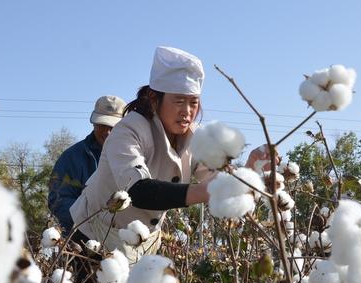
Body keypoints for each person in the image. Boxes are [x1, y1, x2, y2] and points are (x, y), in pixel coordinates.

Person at [69, 46, 270, 261]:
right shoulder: (128, 130)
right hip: (95, 237)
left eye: (193, 103)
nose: (187, 111)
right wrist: (205, 191)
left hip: (143, 241)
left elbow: (218, 181)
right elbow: (137, 191)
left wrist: (251, 169)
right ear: (155, 99)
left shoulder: (195, 137)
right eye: (179, 101)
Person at [48, 95, 127, 233]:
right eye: (102, 125)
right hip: (83, 242)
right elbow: (58, 201)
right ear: (94, 123)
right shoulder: (71, 158)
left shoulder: (138, 156)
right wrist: (93, 218)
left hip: (127, 237)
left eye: (113, 127)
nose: (107, 132)